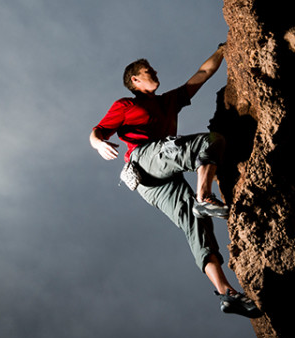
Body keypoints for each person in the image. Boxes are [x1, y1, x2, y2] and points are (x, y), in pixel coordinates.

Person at [90, 45, 261, 318]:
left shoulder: (169, 100)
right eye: (149, 71)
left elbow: (203, 74)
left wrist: (223, 49)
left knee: (196, 225)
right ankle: (203, 197)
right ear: (135, 80)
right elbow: (97, 131)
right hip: (144, 160)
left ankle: (226, 292)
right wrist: (99, 145)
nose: (155, 72)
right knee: (211, 141)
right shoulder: (127, 104)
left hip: (157, 179)